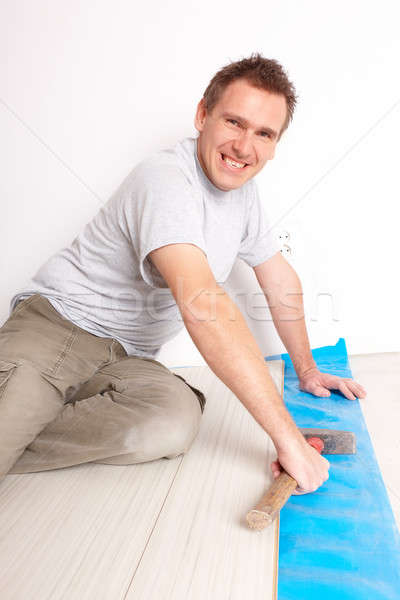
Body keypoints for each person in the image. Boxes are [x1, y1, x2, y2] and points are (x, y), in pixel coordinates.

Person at [0, 53, 366, 492]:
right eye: (234, 123)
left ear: (274, 145)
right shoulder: (166, 180)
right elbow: (204, 305)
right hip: (56, 329)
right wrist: (290, 441)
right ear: (202, 115)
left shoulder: (243, 198)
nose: (244, 147)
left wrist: (306, 369)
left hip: (125, 359)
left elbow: (279, 279)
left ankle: (24, 422)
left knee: (170, 423)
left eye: (263, 133)